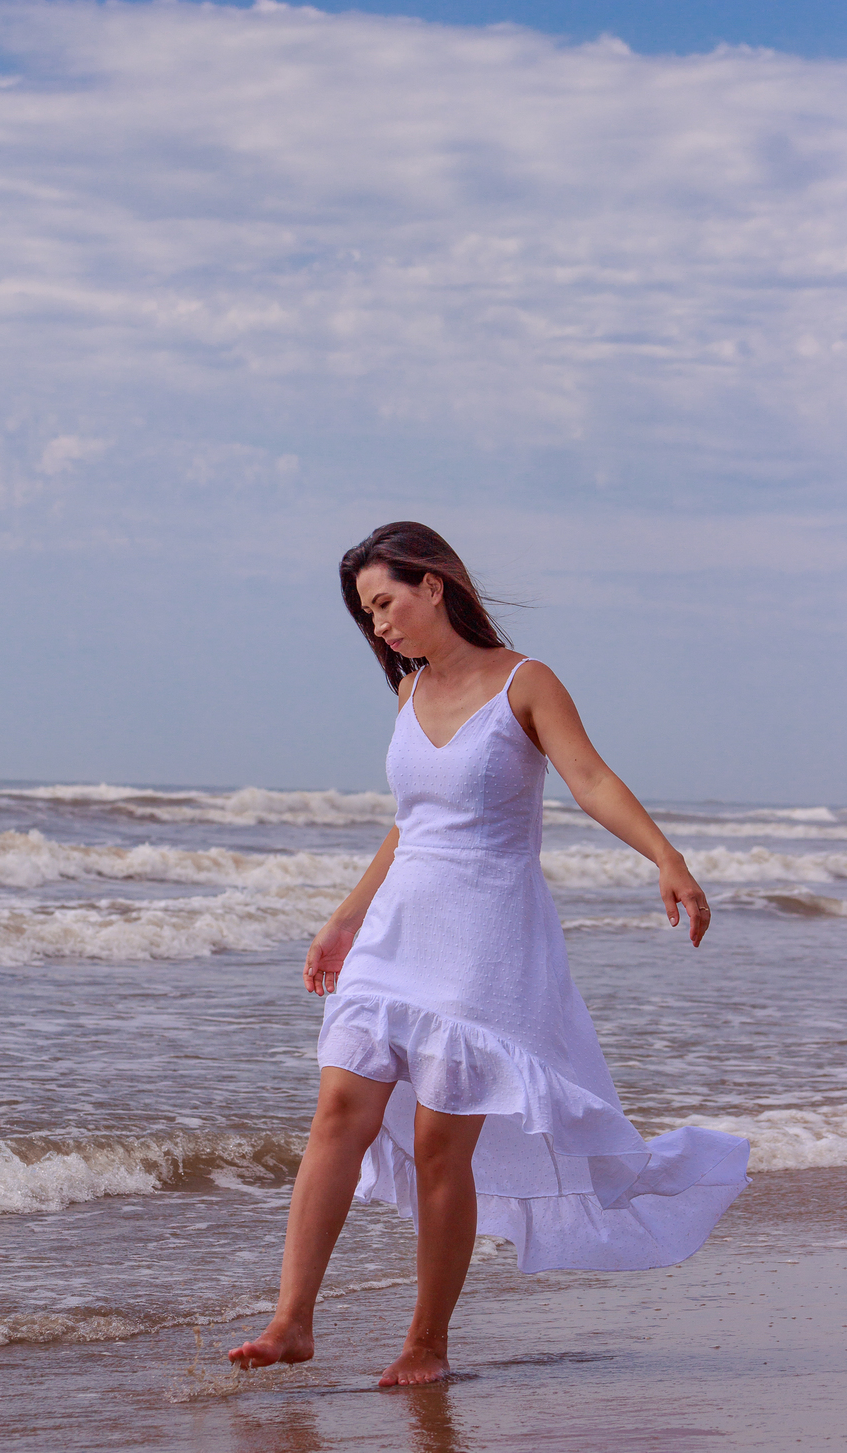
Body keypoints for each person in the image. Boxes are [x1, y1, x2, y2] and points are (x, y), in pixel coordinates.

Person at [229, 522, 749, 1388]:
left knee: (441, 1146)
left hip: (483, 940)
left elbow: (589, 779)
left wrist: (667, 858)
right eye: (367, 615)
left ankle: (426, 1343)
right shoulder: (408, 696)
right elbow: (411, 824)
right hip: (397, 933)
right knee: (336, 1119)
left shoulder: (525, 682)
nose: (380, 626)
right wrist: (346, 918)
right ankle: (291, 1322)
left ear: (433, 585)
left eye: (386, 603)